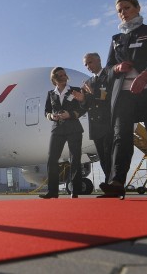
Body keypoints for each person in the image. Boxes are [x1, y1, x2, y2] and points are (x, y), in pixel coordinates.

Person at [101, 0, 147, 200]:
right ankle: (116, 182)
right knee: (120, 137)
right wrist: (117, 67)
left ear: (137, 8)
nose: (123, 12)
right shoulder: (116, 39)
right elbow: (107, 70)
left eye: (127, 8)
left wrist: (145, 75)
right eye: (120, 10)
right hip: (123, 94)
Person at [40, 67, 85, 199]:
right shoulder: (51, 94)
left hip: (74, 128)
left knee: (75, 158)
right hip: (57, 128)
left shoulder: (74, 90)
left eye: (64, 75)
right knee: (52, 159)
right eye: (60, 75)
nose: (64, 77)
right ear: (54, 79)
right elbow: (46, 112)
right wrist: (51, 116)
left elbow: (83, 108)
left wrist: (70, 114)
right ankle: (53, 191)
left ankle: (75, 190)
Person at [72, 53, 113, 185]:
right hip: (95, 127)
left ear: (98, 60)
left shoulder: (109, 77)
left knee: (110, 156)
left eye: (90, 62)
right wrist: (82, 99)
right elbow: (86, 106)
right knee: (103, 158)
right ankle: (109, 184)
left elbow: (110, 98)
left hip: (108, 124)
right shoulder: (88, 82)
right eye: (86, 64)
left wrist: (92, 94)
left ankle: (114, 184)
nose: (88, 66)